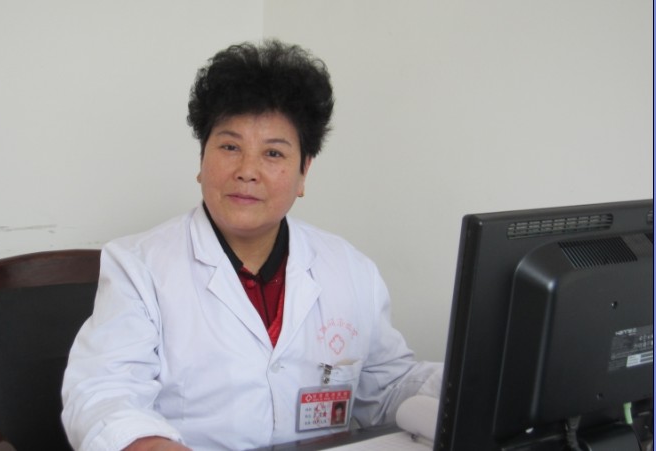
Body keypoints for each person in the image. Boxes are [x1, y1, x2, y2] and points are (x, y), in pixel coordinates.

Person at [61, 39, 442, 451]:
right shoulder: (138, 267)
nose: (247, 171)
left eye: (273, 153)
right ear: (201, 159)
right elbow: (105, 397)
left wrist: (471, 378)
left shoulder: (351, 270)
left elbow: (386, 387)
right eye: (230, 147)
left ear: (303, 172)